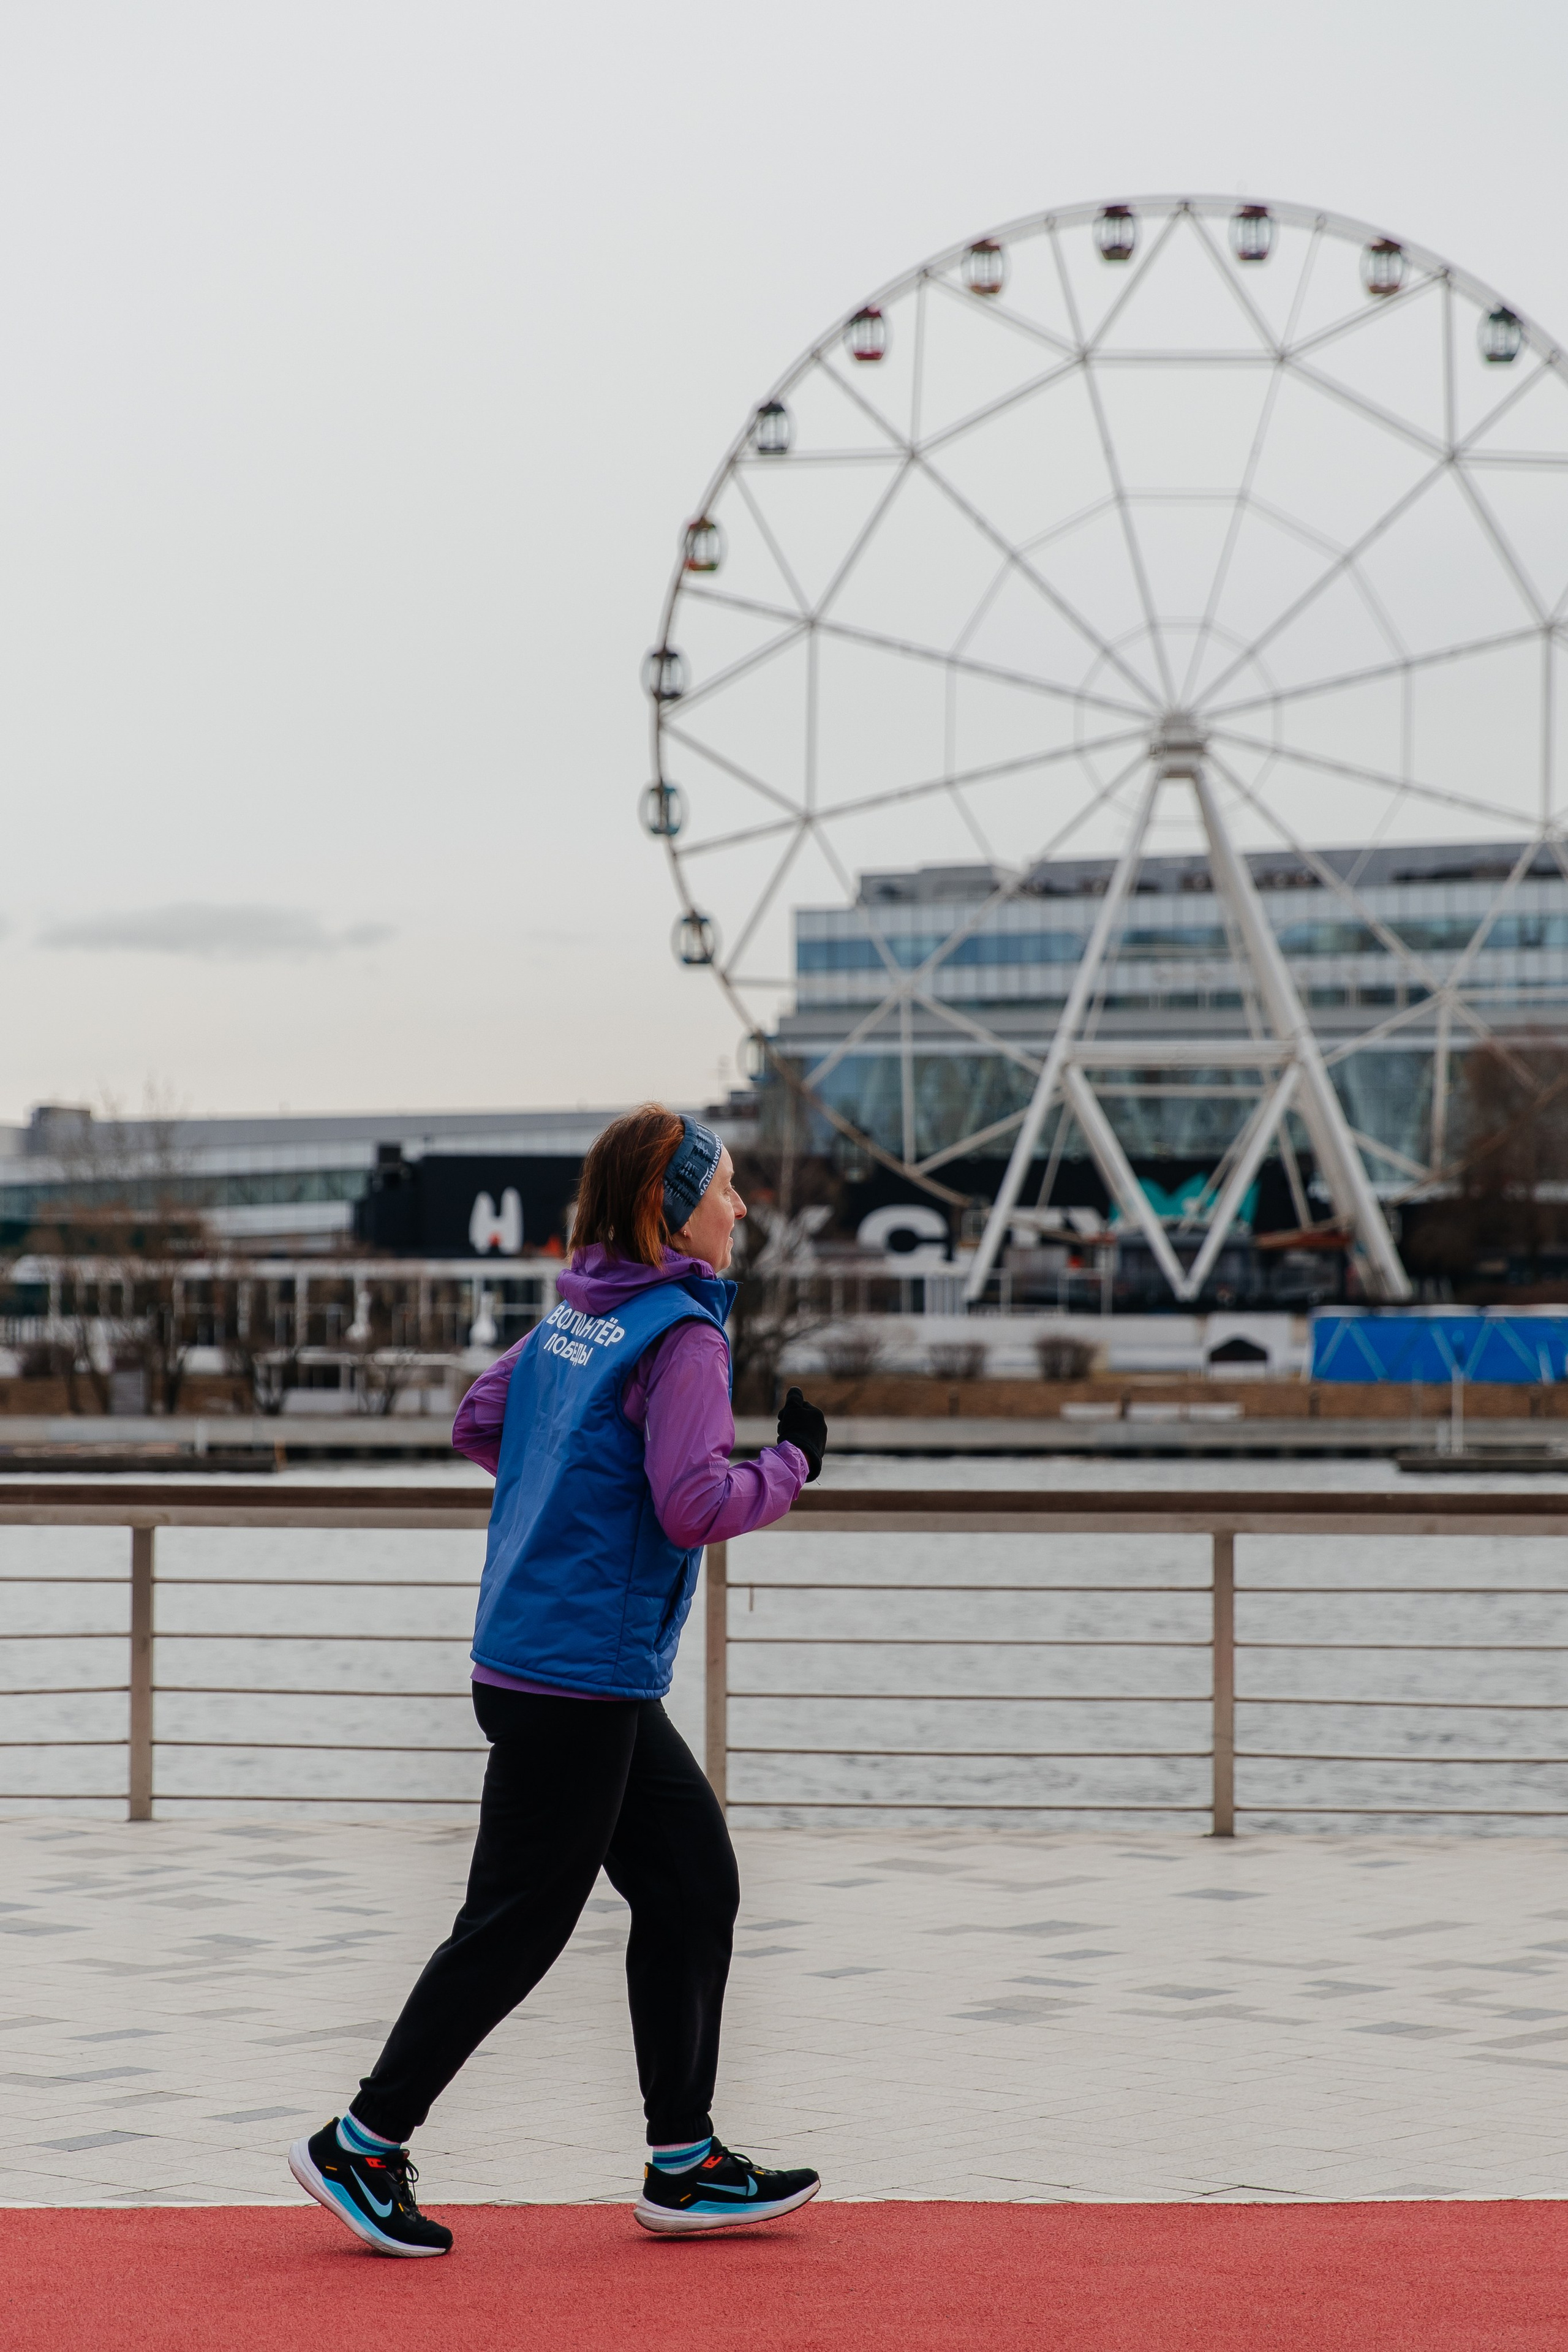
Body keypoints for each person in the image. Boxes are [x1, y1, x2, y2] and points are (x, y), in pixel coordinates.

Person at [288, 1105, 829, 2256]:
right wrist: (789, 1464)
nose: (743, 1206)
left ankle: (684, 2162)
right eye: (727, 1185)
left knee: (693, 1885)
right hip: (578, 1677)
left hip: (559, 1664)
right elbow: (691, 1505)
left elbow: (483, 1420)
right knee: (519, 1921)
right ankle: (363, 2142)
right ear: (669, 1207)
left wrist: (574, 1486)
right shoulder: (681, 1333)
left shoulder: (581, 1314)